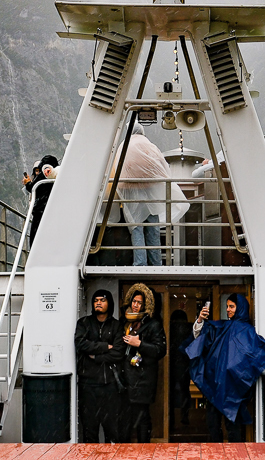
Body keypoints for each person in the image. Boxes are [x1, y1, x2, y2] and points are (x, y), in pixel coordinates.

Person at [187, 293, 265, 442]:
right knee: (214, 424)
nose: (228, 309)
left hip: (232, 387)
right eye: (227, 306)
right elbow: (202, 338)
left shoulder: (247, 331)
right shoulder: (223, 327)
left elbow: (257, 353)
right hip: (219, 386)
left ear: (240, 307)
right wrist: (200, 320)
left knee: (230, 427)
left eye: (231, 306)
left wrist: (236, 373)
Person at [117, 124, 189, 266]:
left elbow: (118, 170)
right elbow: (162, 167)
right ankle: (156, 264)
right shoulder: (149, 145)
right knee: (153, 229)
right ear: (142, 131)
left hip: (131, 193)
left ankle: (140, 263)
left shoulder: (123, 147)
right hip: (150, 192)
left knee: (137, 228)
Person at [74, 289, 125, 442]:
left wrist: (95, 356)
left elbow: (118, 353)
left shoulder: (117, 326)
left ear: (109, 303)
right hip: (87, 385)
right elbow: (80, 344)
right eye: (96, 300)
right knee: (90, 429)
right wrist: (104, 346)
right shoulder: (84, 323)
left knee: (112, 428)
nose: (98, 303)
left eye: (102, 300)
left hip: (110, 385)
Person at [119, 283, 167, 442]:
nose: (135, 305)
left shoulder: (153, 324)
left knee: (142, 418)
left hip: (143, 380)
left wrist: (140, 344)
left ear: (146, 304)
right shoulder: (125, 321)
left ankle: (144, 452)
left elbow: (160, 350)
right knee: (125, 418)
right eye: (134, 301)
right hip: (124, 379)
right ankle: (124, 453)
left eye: (139, 302)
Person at [22, 154, 58, 247]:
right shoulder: (57, 174)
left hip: (40, 211)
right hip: (54, 211)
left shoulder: (44, 174)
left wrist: (28, 183)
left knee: (35, 239)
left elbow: (33, 187)